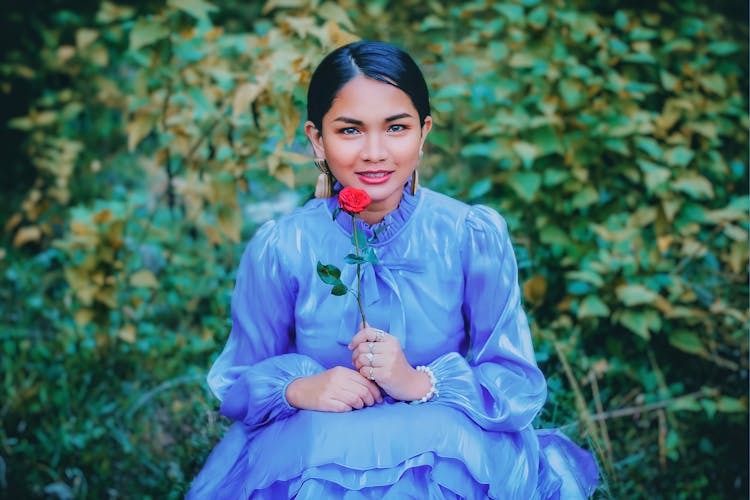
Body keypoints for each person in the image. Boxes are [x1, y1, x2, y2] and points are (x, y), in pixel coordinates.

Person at [187, 40, 599, 499]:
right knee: (314, 451)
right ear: (316, 139)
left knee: (440, 450)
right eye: (350, 131)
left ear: (423, 133)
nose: (375, 152)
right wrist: (300, 390)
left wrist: (420, 382)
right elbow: (238, 378)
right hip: (317, 445)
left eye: (396, 127)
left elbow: (513, 378)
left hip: (444, 445)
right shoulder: (283, 246)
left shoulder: (469, 235)